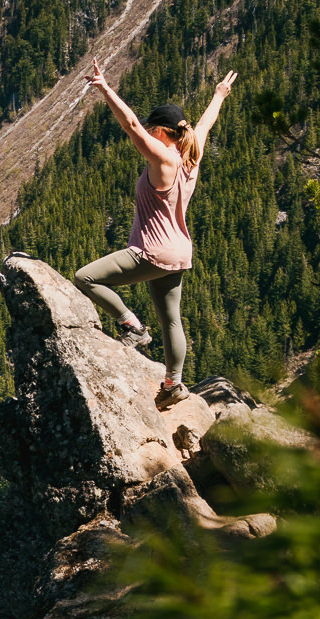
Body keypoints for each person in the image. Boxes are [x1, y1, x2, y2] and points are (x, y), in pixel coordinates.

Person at [75, 63, 236, 409]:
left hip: (151, 251)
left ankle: (131, 325)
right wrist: (218, 95)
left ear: (163, 132)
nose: (147, 132)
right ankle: (173, 384)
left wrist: (105, 89)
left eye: (152, 129)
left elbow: (130, 124)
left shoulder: (163, 159)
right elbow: (205, 124)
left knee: (85, 277)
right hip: (179, 254)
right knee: (172, 320)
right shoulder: (192, 156)